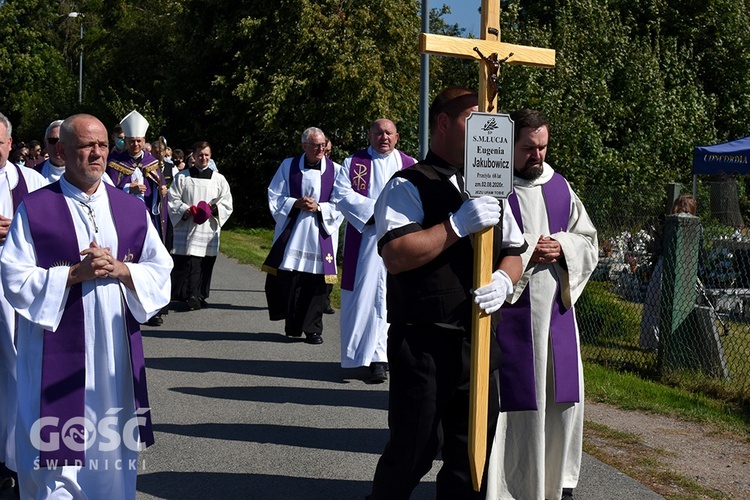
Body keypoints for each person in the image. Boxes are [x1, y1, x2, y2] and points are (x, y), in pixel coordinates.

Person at [0, 113, 172, 500]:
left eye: (102, 146)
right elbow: (14, 277)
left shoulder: (130, 209)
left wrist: (123, 269)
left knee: (111, 455)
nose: (96, 153)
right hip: (53, 358)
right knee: (55, 459)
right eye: (86, 146)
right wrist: (72, 275)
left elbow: (161, 271)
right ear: (61, 150)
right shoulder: (36, 208)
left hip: (113, 359)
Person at [368, 87, 526, 498]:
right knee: (412, 451)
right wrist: (455, 226)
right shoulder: (409, 184)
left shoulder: (492, 184)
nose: (482, 133)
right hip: (424, 340)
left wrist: (505, 281)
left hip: (477, 339)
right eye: (471, 121)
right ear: (443, 123)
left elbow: (514, 252)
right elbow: (397, 254)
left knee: (472, 455)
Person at [486, 109, 599, 500]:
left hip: (558, 312)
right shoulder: (493, 187)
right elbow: (479, 248)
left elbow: (587, 240)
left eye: (543, 146)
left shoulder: (560, 186)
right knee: (520, 402)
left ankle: (558, 484)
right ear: (510, 147)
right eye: (529, 148)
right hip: (515, 316)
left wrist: (562, 246)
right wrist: (526, 252)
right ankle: (512, 486)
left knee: (563, 400)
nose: (538, 155)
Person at [332, 119, 416, 383]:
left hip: (401, 240)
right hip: (366, 240)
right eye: (378, 132)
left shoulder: (410, 165)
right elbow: (341, 194)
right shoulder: (353, 163)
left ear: (397, 136)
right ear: (369, 135)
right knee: (367, 297)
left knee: (397, 295)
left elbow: (420, 198)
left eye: (389, 133)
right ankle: (372, 357)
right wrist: (377, 213)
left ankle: (393, 355)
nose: (383, 137)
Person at [0, 112, 47, 494]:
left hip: (14, 289)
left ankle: (12, 459)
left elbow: (52, 225)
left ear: (10, 144)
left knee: (16, 370)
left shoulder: (31, 182)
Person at [264, 127, 344, 345]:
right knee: (293, 279)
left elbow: (341, 201)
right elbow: (274, 194)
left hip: (321, 233)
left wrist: (319, 207)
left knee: (317, 282)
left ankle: (313, 329)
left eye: (323, 144)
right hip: (294, 232)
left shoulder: (336, 170)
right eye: (315, 145)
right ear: (304, 146)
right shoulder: (288, 166)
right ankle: (292, 325)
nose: (320, 149)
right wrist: (295, 203)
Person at [107, 110, 168, 326]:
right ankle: (129, 304)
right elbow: (108, 190)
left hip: (148, 219)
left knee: (149, 261)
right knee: (129, 260)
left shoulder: (153, 163)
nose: (135, 145)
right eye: (131, 141)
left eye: (139, 141)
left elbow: (159, 191)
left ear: (144, 141)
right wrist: (127, 189)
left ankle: (153, 308)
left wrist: (161, 193)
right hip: (125, 220)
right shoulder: (115, 163)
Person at [168, 141, 233, 311]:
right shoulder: (182, 177)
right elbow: (172, 199)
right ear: (194, 157)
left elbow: (227, 202)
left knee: (205, 262)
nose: (203, 158)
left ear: (210, 156)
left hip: (208, 228)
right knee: (188, 261)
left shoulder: (219, 179)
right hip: (188, 225)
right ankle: (187, 294)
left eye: (206, 155)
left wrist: (213, 209)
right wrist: (185, 209)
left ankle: (200, 294)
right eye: (200, 155)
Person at [639, 194, 698, 351]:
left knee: (654, 303)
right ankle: (669, 344)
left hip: (665, 264)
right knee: (669, 305)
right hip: (686, 265)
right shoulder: (695, 224)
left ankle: (652, 342)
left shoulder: (671, 221)